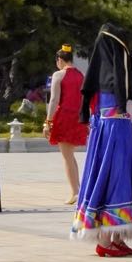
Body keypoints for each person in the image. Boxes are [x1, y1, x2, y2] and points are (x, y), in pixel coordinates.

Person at [74, 23, 132, 257]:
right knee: (115, 176)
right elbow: (125, 98)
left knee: (117, 176)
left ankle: (116, 237)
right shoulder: (114, 80)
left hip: (107, 129)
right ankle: (106, 240)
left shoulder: (99, 77)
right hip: (116, 130)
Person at [46, 46, 88, 203]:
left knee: (67, 156)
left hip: (64, 116)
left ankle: (75, 192)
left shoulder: (59, 74)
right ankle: (77, 189)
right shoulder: (80, 75)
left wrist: (48, 121)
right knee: (70, 156)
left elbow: (54, 99)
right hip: (77, 117)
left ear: (60, 60)